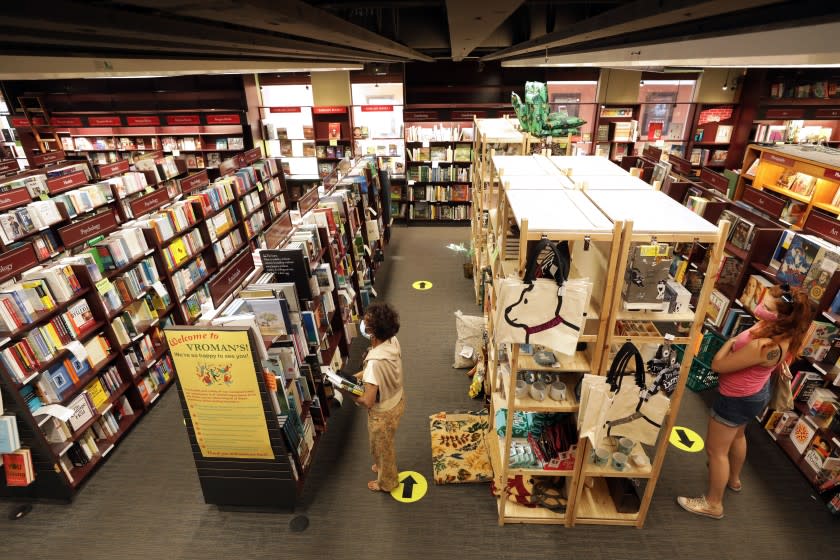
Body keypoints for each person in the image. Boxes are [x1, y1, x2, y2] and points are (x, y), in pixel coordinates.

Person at [678, 284, 812, 519]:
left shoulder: (763, 346)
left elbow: (718, 365)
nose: (760, 307)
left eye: (767, 306)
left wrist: (729, 344)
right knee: (738, 435)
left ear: (780, 316)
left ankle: (713, 504)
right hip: (755, 394)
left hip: (735, 398)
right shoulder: (782, 334)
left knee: (716, 451)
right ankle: (733, 479)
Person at [353, 302, 405, 493]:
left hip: (382, 413)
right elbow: (375, 371)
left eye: (366, 323)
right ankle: (380, 465)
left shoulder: (374, 363)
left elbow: (367, 401)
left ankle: (387, 482)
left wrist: (348, 391)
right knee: (379, 443)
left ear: (372, 331)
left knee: (384, 449)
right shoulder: (392, 341)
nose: (363, 325)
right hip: (397, 399)